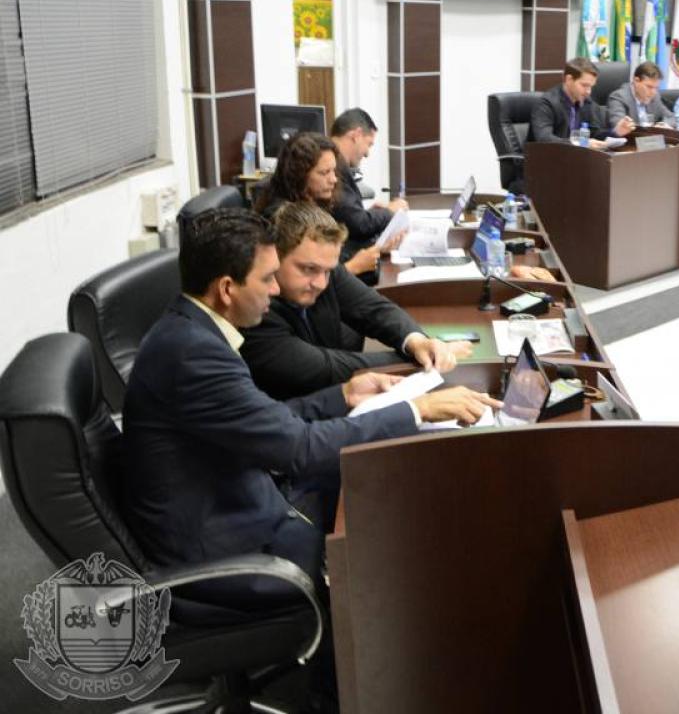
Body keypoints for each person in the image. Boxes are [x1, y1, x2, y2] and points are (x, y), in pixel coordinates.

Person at [121, 209, 500, 592]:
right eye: (267, 278)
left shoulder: (193, 332)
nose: (275, 290)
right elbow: (300, 448)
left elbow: (269, 418)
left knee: (402, 491)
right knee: (404, 546)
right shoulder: (194, 355)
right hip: (231, 551)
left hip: (243, 496)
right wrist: (418, 409)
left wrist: (344, 395)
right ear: (226, 289)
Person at [241, 203, 473, 400]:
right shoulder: (255, 310)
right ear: (275, 258)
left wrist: (417, 342)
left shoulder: (324, 273)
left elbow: (375, 309)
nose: (321, 283)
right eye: (308, 269)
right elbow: (326, 367)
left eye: (327, 271)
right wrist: (424, 360)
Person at [255, 132, 387, 280]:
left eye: (333, 171)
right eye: (324, 173)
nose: (334, 179)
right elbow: (298, 282)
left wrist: (378, 247)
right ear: (300, 175)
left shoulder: (315, 202)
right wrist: (353, 267)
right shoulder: (279, 218)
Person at [330, 108, 407, 266]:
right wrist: (389, 211)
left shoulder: (336, 161)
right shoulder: (334, 165)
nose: (367, 153)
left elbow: (346, 217)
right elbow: (359, 225)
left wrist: (369, 213)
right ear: (356, 135)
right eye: (369, 144)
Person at [530, 57, 633, 146]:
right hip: (546, 159)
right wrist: (581, 143)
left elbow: (594, 133)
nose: (588, 91)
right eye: (584, 85)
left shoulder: (587, 102)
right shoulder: (547, 104)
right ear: (569, 79)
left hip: (576, 158)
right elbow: (544, 140)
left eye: (591, 86)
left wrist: (615, 132)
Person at [607, 61, 676, 129]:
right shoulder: (619, 97)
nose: (653, 92)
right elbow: (618, 125)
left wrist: (663, 125)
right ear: (636, 81)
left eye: (656, 88)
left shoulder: (655, 97)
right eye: (649, 87)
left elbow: (672, 117)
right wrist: (624, 126)